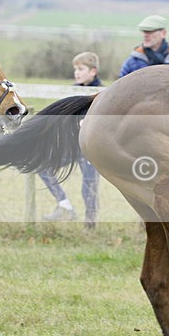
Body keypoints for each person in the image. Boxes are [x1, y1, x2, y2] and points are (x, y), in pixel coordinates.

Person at [39, 52, 102, 229]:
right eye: (75, 69)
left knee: (89, 187)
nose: (77, 73)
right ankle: (64, 205)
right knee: (43, 166)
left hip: (90, 149)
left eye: (81, 69)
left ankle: (90, 224)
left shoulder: (103, 95)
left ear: (93, 71)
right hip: (71, 147)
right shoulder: (71, 91)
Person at [118, 14, 169, 78]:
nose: (146, 35)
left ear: (163, 33)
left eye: (150, 31)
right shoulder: (133, 62)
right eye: (144, 31)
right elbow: (120, 87)